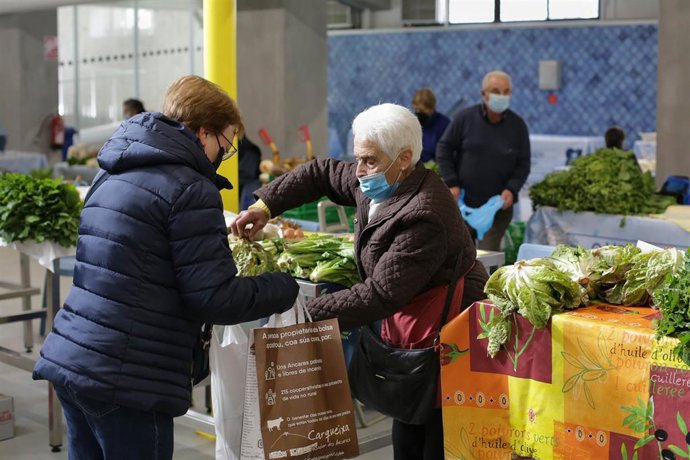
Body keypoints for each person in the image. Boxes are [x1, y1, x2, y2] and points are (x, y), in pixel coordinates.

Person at [33, 75, 299, 460]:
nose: (223, 157)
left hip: (74, 359)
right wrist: (281, 286)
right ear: (204, 134)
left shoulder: (111, 171)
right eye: (225, 146)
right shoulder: (191, 187)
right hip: (129, 380)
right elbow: (215, 298)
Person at [231, 103, 488, 460]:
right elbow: (320, 172)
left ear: (404, 158)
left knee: (432, 429)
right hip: (412, 322)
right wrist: (264, 207)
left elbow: (380, 294)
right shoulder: (379, 182)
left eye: (370, 160)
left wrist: (301, 311)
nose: (361, 171)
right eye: (358, 159)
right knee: (407, 416)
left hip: (443, 333)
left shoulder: (425, 214)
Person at [436, 70, 531, 251]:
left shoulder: (517, 125)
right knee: (459, 255)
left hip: (497, 209)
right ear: (483, 94)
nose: (501, 96)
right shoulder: (464, 118)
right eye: (496, 91)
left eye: (506, 92)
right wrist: (451, 182)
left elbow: (523, 164)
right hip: (462, 205)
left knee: (488, 257)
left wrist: (511, 189)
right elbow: (444, 148)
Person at [412, 87, 450, 163]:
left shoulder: (444, 125)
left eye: (422, 110)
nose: (418, 113)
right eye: (416, 109)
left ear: (432, 108)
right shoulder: (412, 125)